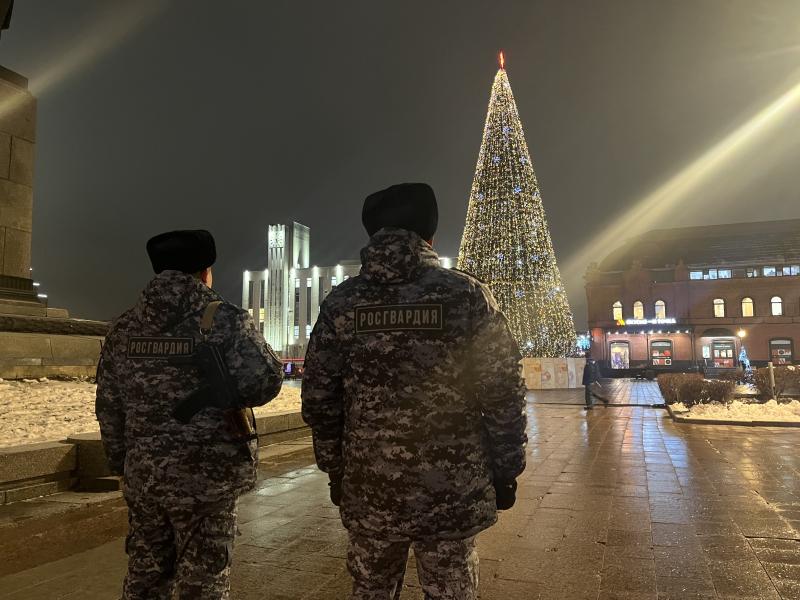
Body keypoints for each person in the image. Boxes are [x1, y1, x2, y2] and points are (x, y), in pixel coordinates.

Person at [301, 183, 528, 600]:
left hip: (370, 487)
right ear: (430, 235)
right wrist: (506, 469)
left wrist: (336, 471)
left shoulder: (342, 303)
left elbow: (318, 398)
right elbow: (502, 392)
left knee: (370, 587)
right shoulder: (466, 295)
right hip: (452, 488)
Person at [95, 230, 283, 599]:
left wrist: (123, 463)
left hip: (146, 475)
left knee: (145, 575)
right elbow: (266, 383)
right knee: (203, 578)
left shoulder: (123, 328)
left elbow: (109, 406)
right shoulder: (223, 319)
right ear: (205, 272)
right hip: (207, 477)